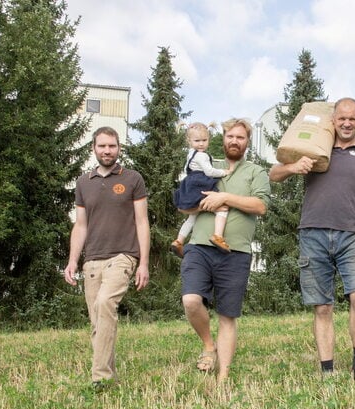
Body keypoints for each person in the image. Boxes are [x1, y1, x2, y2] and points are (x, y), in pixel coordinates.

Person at [268, 98, 355, 386]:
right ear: (333, 119)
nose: (346, 123)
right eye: (341, 118)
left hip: (352, 234)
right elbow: (273, 174)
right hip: (313, 233)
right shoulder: (315, 146)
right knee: (322, 306)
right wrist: (294, 167)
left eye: (352, 119)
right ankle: (327, 371)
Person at [179, 118, 270, 382]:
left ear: (247, 142)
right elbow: (184, 205)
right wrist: (205, 203)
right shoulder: (207, 165)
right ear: (223, 138)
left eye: (240, 137)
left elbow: (261, 206)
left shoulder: (255, 171)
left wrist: (225, 198)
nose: (234, 141)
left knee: (227, 315)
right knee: (191, 300)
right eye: (230, 136)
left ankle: (223, 376)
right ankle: (209, 345)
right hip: (199, 247)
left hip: (236, 252)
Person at [63, 126, 150, 389]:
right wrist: (72, 260)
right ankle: (109, 377)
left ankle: (99, 377)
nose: (107, 151)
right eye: (102, 146)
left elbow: (142, 222)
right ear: (94, 148)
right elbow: (80, 225)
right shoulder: (83, 182)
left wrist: (143, 263)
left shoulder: (133, 179)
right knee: (97, 321)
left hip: (123, 255)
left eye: (112, 146)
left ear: (119, 148)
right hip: (92, 259)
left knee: (104, 304)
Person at [171, 122, 234, 257]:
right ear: (189, 141)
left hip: (190, 184)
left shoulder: (191, 154)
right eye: (197, 141)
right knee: (223, 208)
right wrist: (224, 172)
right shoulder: (202, 155)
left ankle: (179, 240)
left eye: (204, 140)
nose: (201, 144)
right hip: (200, 184)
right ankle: (218, 236)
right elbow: (210, 171)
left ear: (209, 139)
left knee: (192, 217)